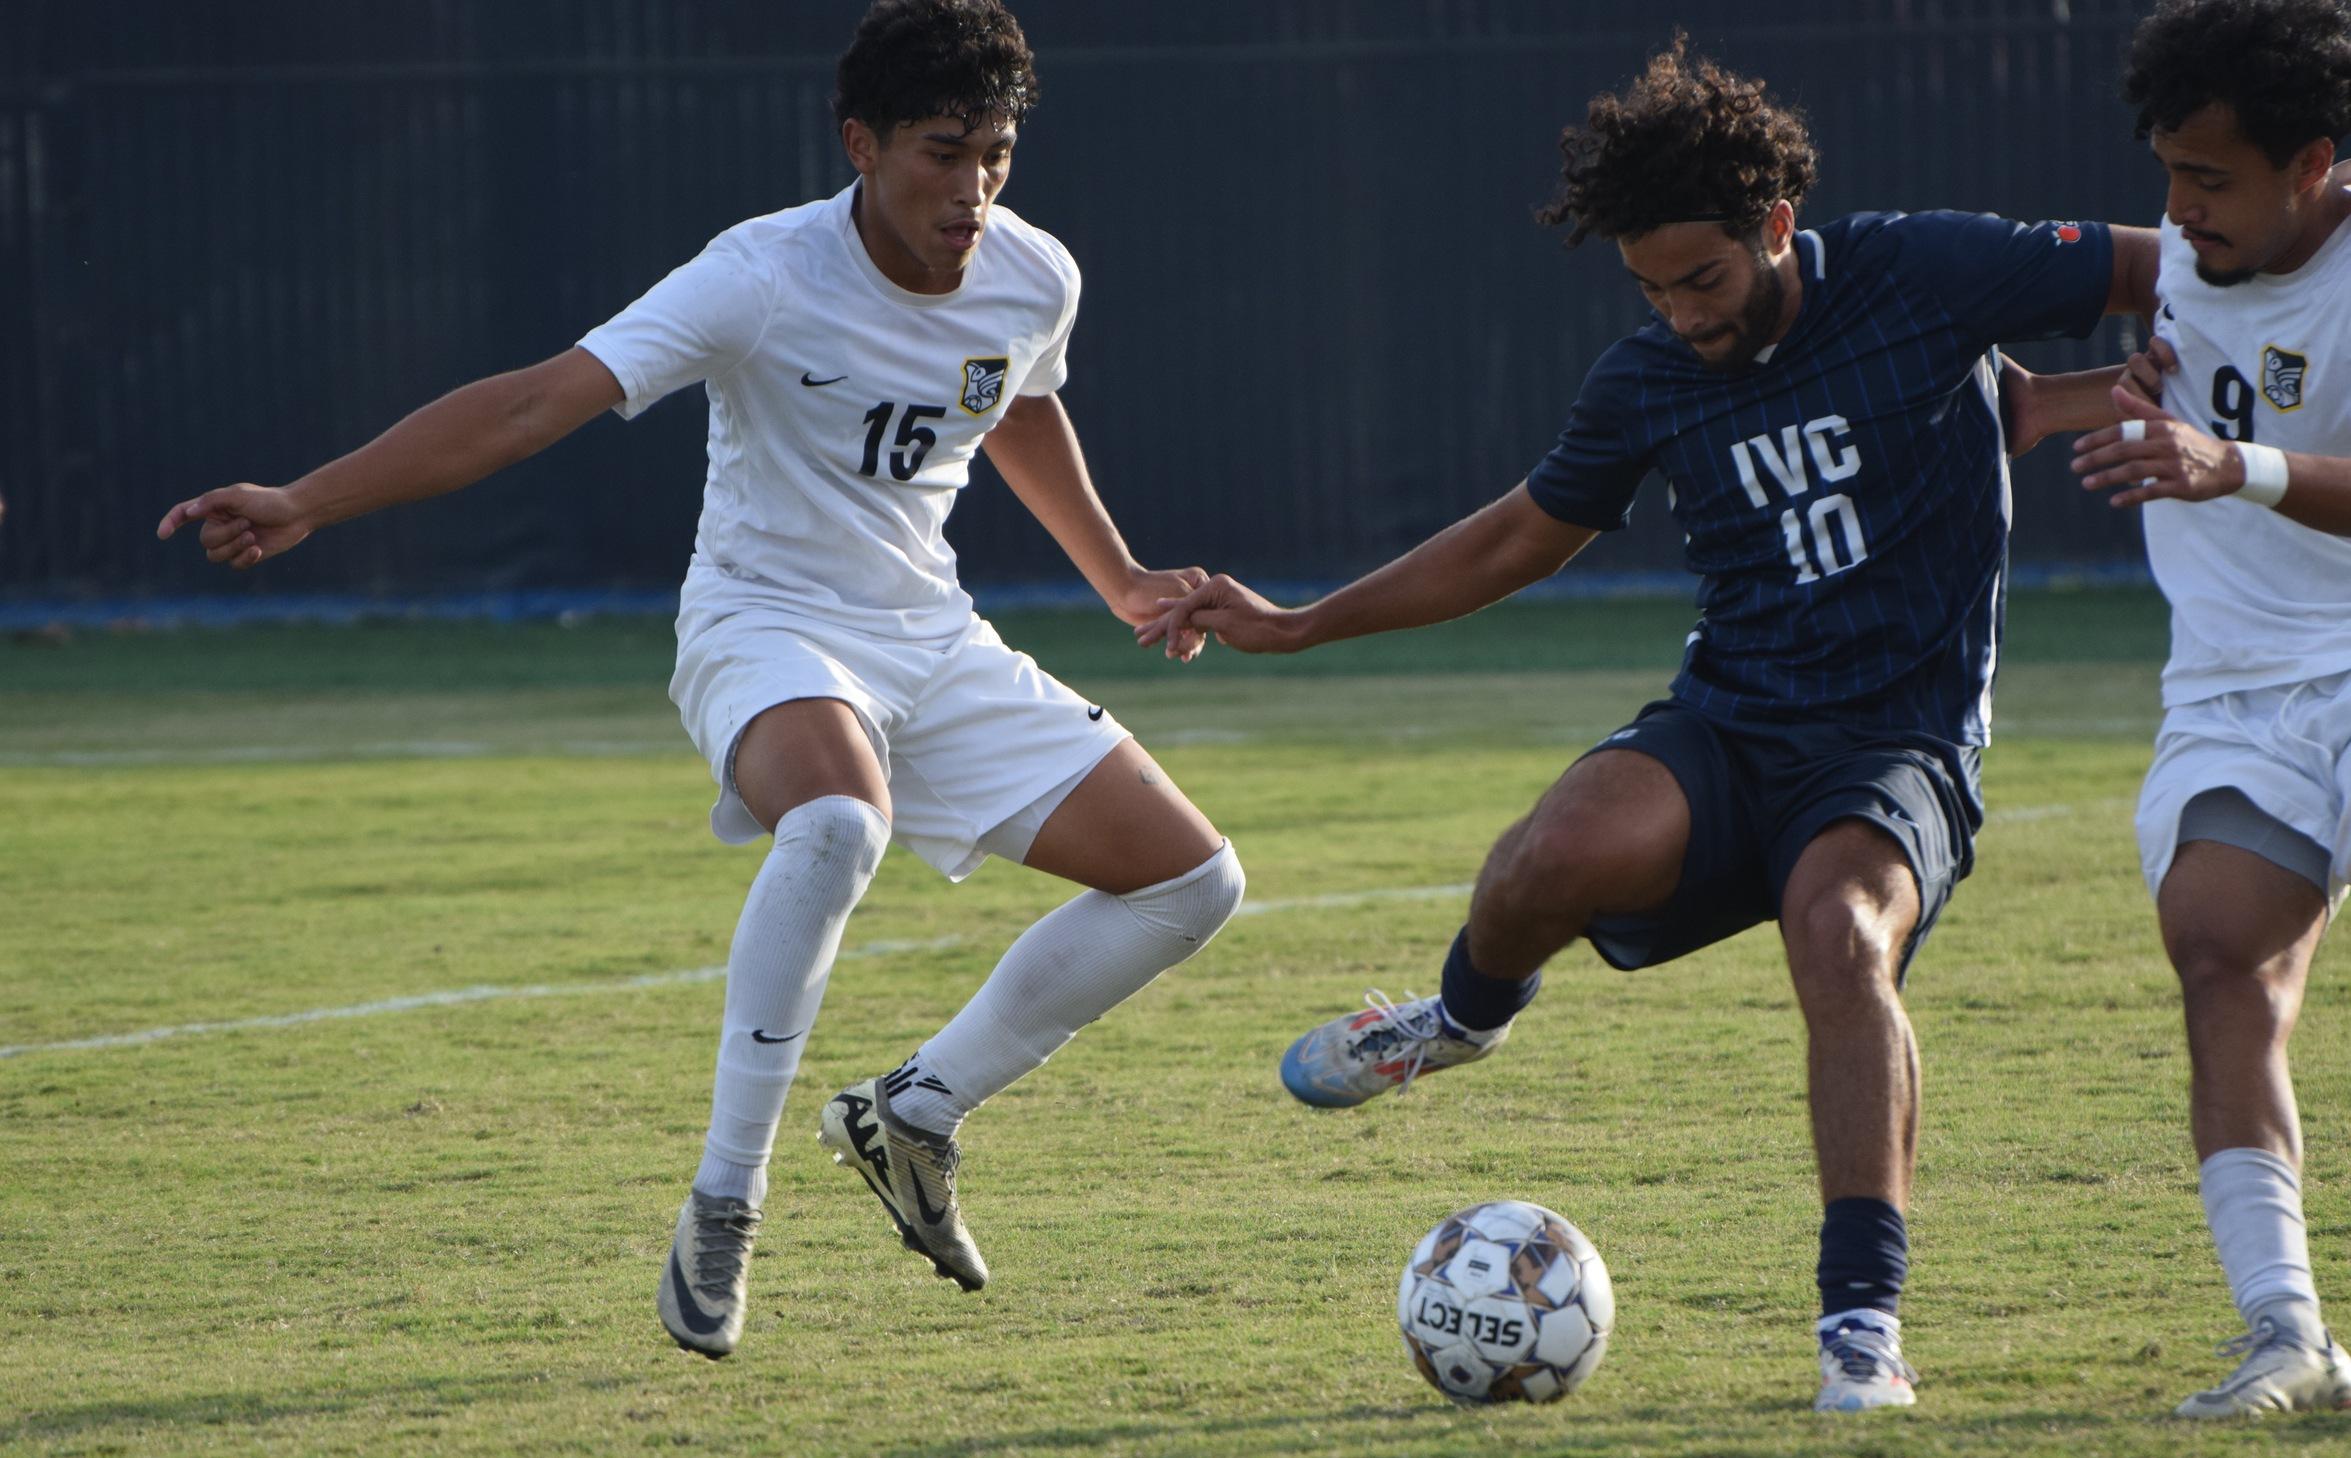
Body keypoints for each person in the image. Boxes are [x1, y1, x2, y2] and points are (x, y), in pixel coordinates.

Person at [156, 0, 1244, 1361]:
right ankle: (726, 1200)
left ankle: (914, 1111)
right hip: (765, 622)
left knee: (1195, 879)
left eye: (998, 155)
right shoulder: (762, 274)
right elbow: (531, 401)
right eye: (940, 152)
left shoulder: (1036, 273)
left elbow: (1015, 396)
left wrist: (1121, 577)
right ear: (859, 142)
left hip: (931, 633)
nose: (972, 189)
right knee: (840, 823)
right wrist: (309, 498)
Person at [1143, 38, 2157, 1412]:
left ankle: (1861, 1325)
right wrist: (1298, 620)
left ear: (1777, 227)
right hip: (1732, 724)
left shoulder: (1927, 269)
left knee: (1841, 938)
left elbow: (2172, 265)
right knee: (1539, 862)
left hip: (1898, 745)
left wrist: (2245, 350)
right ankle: (1455, 1018)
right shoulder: (1646, 380)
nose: (1683, 310)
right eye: (1653, 286)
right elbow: (1511, 539)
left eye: (1707, 277)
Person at [2060, 0, 2351, 1418]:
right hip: (2241, 684)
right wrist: (2130, 399)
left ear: (2315, 161)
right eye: (2169, 170)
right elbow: (2197, 383)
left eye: (2212, 177)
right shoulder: (2185, 254)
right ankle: (2290, 1333)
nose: (2177, 209)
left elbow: (2244, 443)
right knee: (2217, 948)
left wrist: (2232, 460)